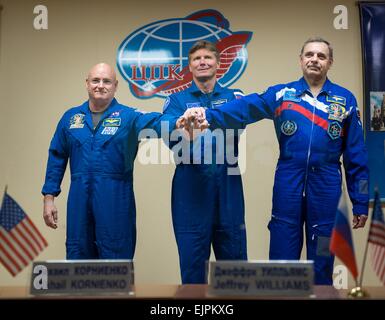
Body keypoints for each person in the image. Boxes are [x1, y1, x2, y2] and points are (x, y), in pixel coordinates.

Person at [183, 37, 369, 285]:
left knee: (324, 252)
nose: (314, 59)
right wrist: (209, 114)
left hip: (327, 185)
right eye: (309, 54)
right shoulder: (283, 94)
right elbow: (246, 107)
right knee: (282, 254)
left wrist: (360, 201)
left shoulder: (345, 100)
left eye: (321, 56)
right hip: (288, 181)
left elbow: (356, 155)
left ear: (330, 62)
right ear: (301, 60)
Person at [42, 63, 176, 259]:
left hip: (116, 199)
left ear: (115, 86)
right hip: (79, 197)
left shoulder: (128, 116)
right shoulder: (71, 118)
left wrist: (180, 122)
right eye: (95, 80)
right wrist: (49, 198)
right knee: (78, 253)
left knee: (116, 257)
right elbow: (57, 156)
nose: (100, 85)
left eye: (106, 81)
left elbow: (154, 121)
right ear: (87, 84)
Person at [162, 40, 247, 284]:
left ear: (218, 64)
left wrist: (210, 119)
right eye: (197, 59)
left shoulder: (234, 96)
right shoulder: (176, 101)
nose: (202, 62)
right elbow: (171, 138)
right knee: (192, 262)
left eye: (208, 58)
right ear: (190, 66)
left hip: (227, 180)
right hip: (190, 184)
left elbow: (240, 123)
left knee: (234, 260)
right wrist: (186, 130)